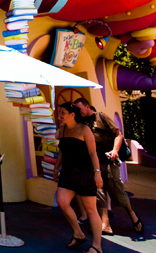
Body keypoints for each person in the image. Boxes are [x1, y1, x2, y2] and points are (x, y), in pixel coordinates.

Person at [74, 97, 144, 236]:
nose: (78, 112)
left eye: (80, 109)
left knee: (117, 192)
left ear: (87, 106)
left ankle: (132, 215)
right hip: (93, 164)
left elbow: (118, 134)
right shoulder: (80, 122)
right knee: (99, 194)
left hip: (108, 161)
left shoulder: (101, 117)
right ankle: (105, 224)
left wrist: (115, 151)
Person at [53, 102, 105, 253]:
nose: (60, 116)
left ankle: (97, 246)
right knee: (62, 201)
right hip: (68, 173)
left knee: (90, 209)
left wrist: (97, 172)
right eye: (59, 112)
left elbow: (92, 152)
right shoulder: (62, 131)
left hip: (85, 173)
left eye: (63, 113)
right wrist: (56, 168)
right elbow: (62, 151)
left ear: (72, 115)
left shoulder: (84, 129)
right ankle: (78, 233)